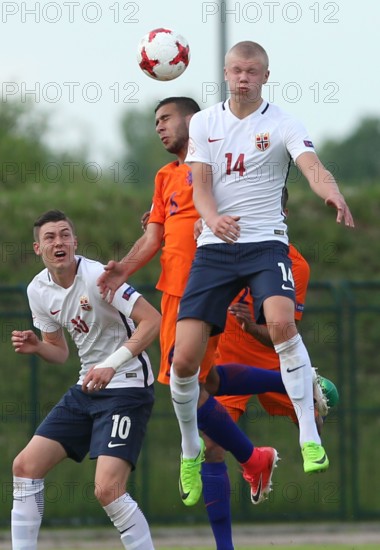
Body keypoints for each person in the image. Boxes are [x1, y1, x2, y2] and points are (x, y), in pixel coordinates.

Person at [169, 40, 354, 507]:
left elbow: (311, 165)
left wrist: (330, 191)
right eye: (236, 70)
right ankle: (190, 452)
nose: (243, 78)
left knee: (280, 321)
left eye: (252, 71)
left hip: (265, 242)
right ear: (226, 74)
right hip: (216, 248)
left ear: (265, 76)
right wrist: (211, 220)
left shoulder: (283, 123)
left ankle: (309, 437)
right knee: (184, 362)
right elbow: (202, 187)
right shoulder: (206, 123)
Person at [10, 210, 161, 550]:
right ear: (38, 248)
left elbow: (153, 320)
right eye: (50, 237)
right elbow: (58, 351)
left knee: (108, 489)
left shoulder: (98, 277)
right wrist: (38, 347)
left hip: (128, 386)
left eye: (65, 235)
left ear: (75, 243)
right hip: (88, 387)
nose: (58, 242)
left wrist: (112, 364)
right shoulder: (38, 290)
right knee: (25, 466)